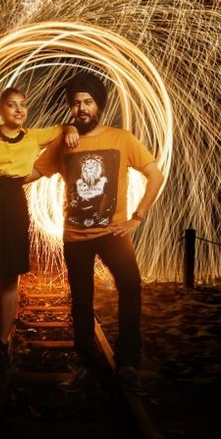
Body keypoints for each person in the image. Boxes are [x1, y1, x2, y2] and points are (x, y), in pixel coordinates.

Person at [27, 72, 164, 394]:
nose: (82, 108)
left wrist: (137, 217)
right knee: (81, 301)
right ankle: (88, 364)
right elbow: (33, 171)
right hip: (76, 237)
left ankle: (129, 362)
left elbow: (154, 175)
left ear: (98, 105)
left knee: (131, 287)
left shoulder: (122, 138)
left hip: (114, 234)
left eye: (88, 102)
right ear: (71, 108)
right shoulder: (64, 142)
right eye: (76, 103)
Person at [0, 87, 79, 384]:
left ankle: (4, 342)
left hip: (13, 205)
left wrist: (71, 128)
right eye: (12, 105)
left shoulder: (33, 136)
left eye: (23, 105)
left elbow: (62, 129)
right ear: (1, 109)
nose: (19, 110)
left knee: (11, 279)